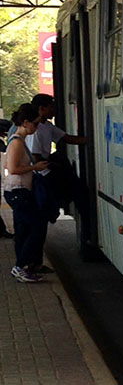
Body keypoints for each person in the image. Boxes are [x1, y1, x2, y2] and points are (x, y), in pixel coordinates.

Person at [26, 93, 92, 253]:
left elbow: (66, 138)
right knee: (77, 194)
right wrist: (53, 165)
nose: (54, 110)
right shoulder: (35, 130)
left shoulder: (47, 126)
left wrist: (90, 139)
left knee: (79, 193)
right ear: (41, 109)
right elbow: (35, 158)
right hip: (45, 175)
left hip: (49, 170)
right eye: (51, 107)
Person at [3, 103, 50, 282]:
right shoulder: (16, 142)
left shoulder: (18, 141)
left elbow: (8, 165)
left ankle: (22, 266)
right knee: (37, 227)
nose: (37, 128)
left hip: (20, 190)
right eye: (35, 124)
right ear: (25, 122)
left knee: (23, 230)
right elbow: (12, 168)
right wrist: (34, 167)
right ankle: (19, 266)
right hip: (18, 191)